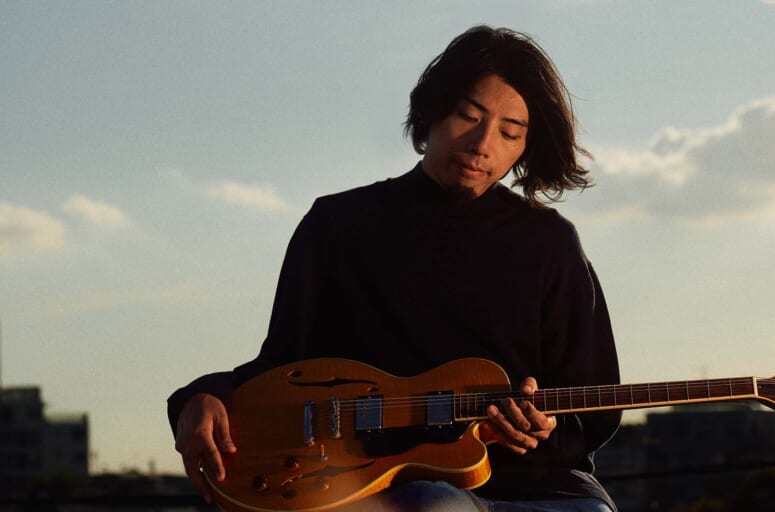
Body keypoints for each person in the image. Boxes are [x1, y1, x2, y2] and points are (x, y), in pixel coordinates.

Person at [168, 25, 621, 512]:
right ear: (431, 111)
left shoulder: (550, 242)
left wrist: (543, 428)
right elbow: (284, 365)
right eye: (468, 116)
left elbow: (593, 408)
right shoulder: (337, 225)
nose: (483, 143)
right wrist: (204, 396)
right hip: (389, 487)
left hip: (540, 489)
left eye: (510, 133)